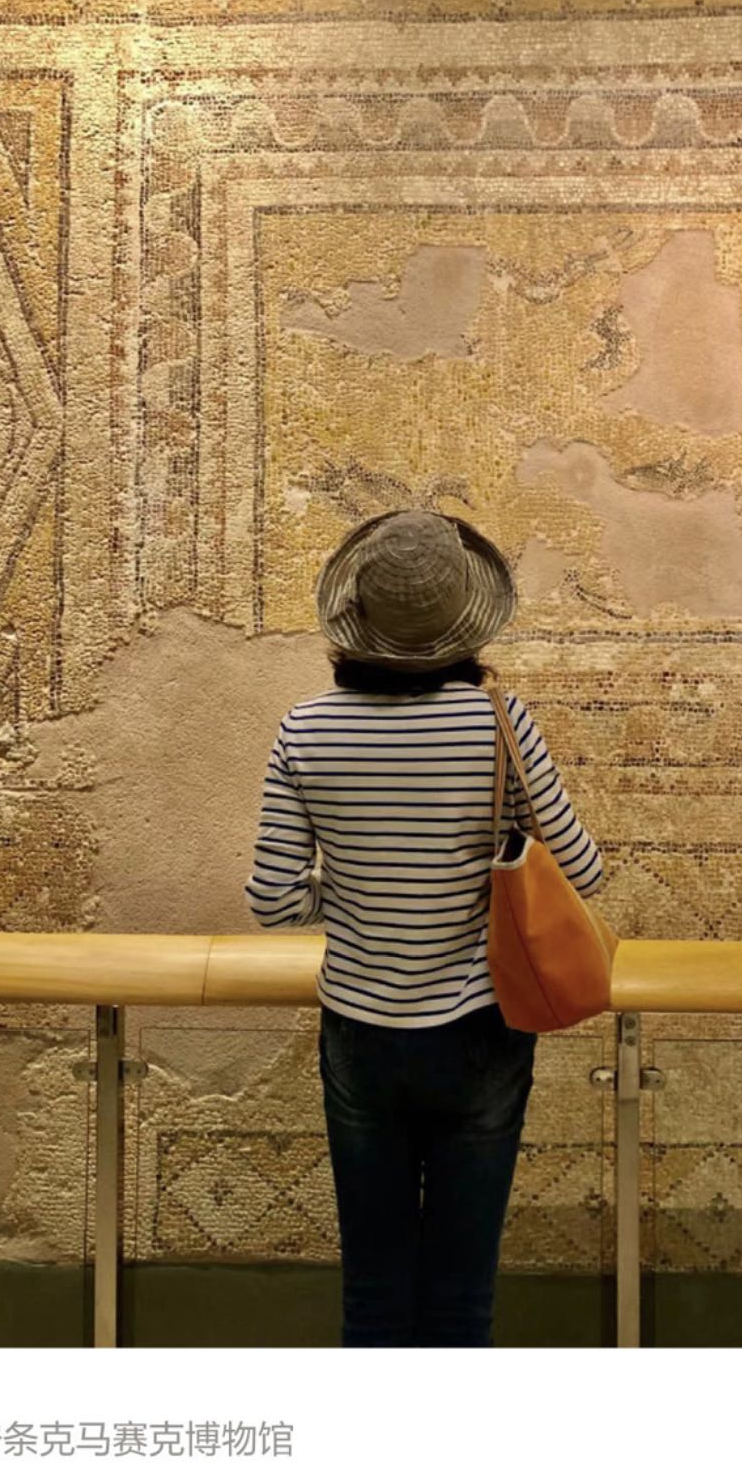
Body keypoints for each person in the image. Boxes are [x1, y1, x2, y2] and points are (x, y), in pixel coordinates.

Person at [244, 508, 604, 1346]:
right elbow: (582, 873)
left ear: (355, 618)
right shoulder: (498, 725)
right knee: (461, 1295)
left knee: (373, 1293)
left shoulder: (306, 729)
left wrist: (354, 895)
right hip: (482, 1029)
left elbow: (272, 900)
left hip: (360, 1035)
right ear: (462, 622)